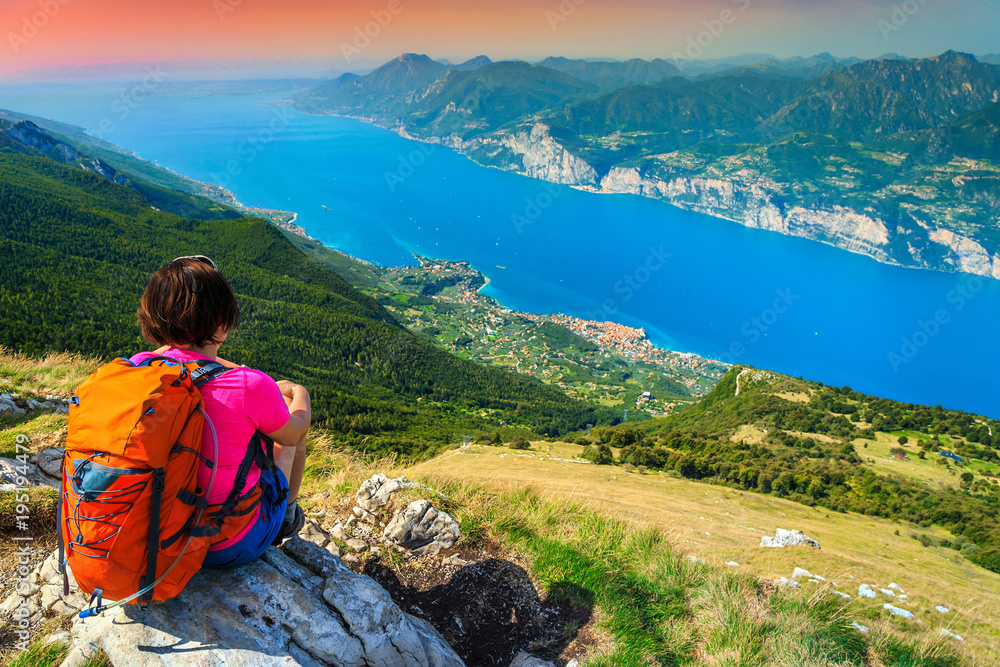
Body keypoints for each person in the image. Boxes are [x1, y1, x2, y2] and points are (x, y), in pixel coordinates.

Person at [131, 255, 310, 569]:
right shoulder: (250, 386)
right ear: (222, 321)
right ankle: (288, 515)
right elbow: (295, 432)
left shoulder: (139, 366)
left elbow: (174, 354)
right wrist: (301, 394)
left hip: (148, 529)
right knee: (287, 429)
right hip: (225, 545)